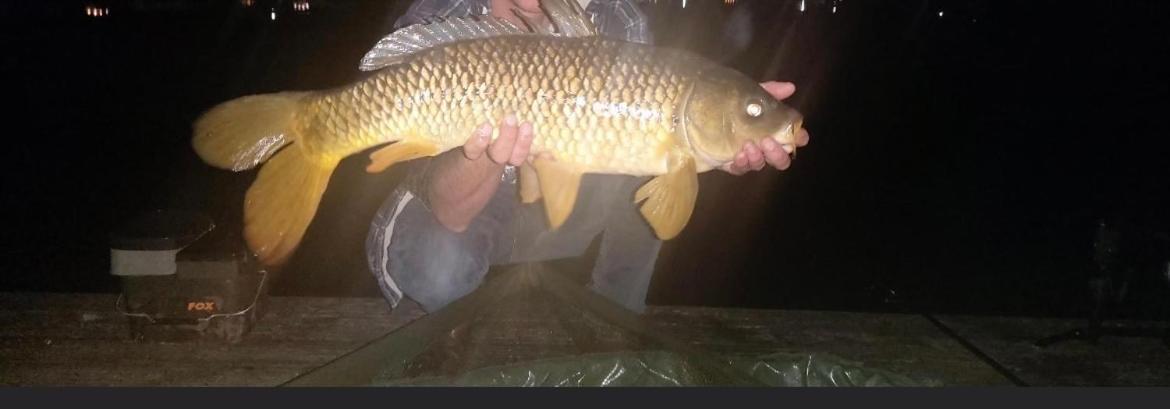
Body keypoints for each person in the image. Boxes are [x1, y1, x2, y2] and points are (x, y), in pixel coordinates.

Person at [366, 0, 811, 319]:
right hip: (458, 203)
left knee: (647, 186)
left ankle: (613, 327)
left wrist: (730, 140)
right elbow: (447, 206)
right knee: (438, 270)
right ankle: (419, 324)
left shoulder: (617, 16)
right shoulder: (438, 18)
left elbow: (669, 140)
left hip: (554, 210)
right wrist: (484, 149)